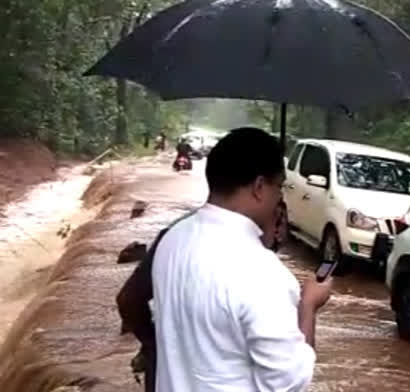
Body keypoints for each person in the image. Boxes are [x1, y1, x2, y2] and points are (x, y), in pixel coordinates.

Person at [117, 128, 332, 392]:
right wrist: (308, 307)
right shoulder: (263, 273)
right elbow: (288, 385)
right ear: (260, 187)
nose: (280, 197)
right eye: (281, 186)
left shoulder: (172, 239)